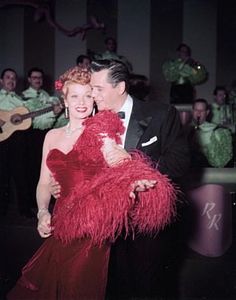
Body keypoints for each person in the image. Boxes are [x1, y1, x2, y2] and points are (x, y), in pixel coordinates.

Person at [8, 66, 177, 300]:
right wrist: (43, 213)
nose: (82, 102)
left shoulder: (102, 130)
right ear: (64, 100)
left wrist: (135, 177)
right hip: (61, 222)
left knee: (80, 288)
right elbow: (44, 183)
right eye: (75, 96)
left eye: (88, 95)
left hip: (92, 226)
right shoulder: (51, 136)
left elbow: (116, 159)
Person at [51, 59, 190, 299]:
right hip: (104, 227)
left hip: (146, 223)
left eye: (98, 89)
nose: (92, 95)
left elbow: (180, 163)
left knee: (149, 287)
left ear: (120, 87)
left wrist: (133, 163)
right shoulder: (89, 120)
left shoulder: (161, 114)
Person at [0, 68, 32, 217]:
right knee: (2, 175)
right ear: (1, 81)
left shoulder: (21, 101)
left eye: (13, 78)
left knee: (21, 174)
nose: (11, 80)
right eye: (8, 77)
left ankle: (24, 210)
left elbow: (31, 119)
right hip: (1, 140)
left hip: (17, 140)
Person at [185, 98, 233, 168]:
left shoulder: (218, 131)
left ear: (207, 112)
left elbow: (221, 162)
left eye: (202, 110)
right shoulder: (185, 130)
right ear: (192, 111)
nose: (198, 113)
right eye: (196, 110)